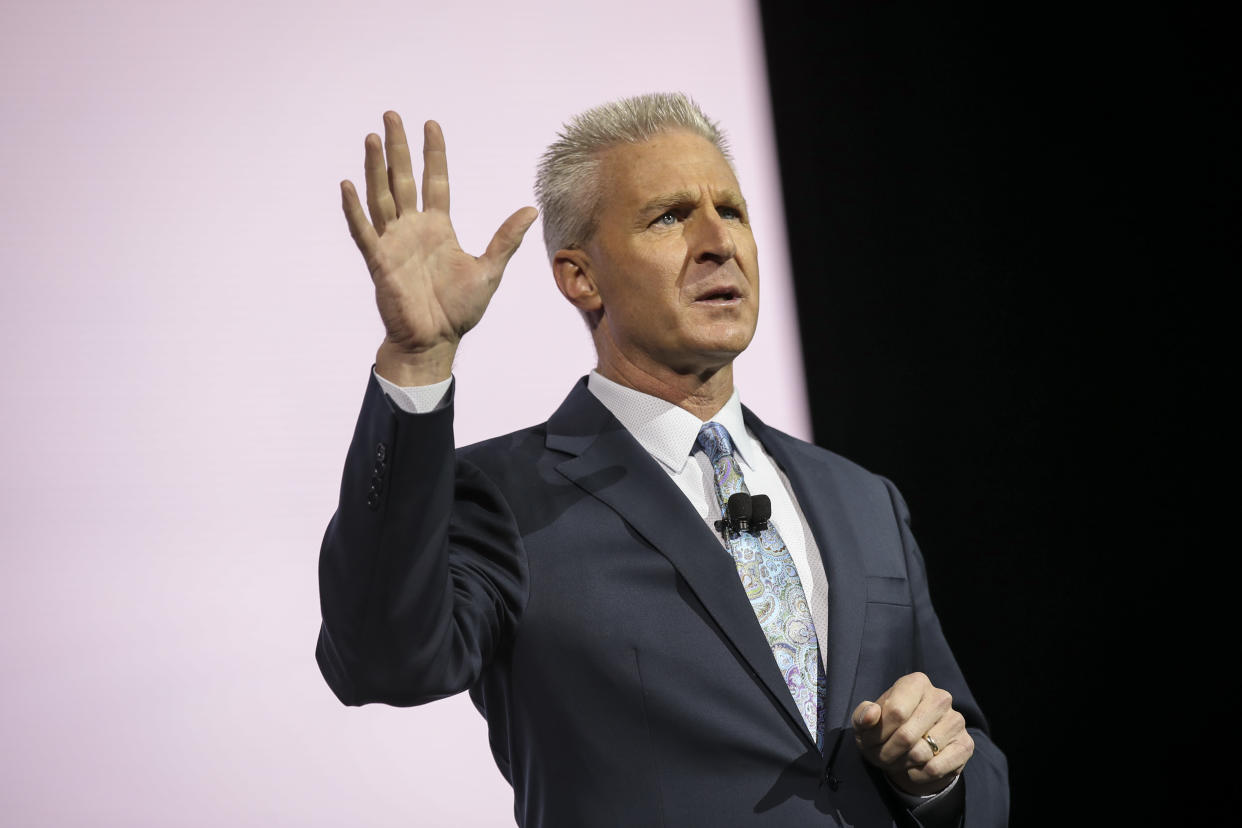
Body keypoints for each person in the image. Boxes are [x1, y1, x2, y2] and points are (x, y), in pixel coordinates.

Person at [316, 93, 1008, 827]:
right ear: (581, 277)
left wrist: (935, 778)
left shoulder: (864, 500)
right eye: (670, 216)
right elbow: (379, 659)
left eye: (733, 212)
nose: (719, 242)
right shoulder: (505, 497)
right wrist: (417, 359)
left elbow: (973, 756)